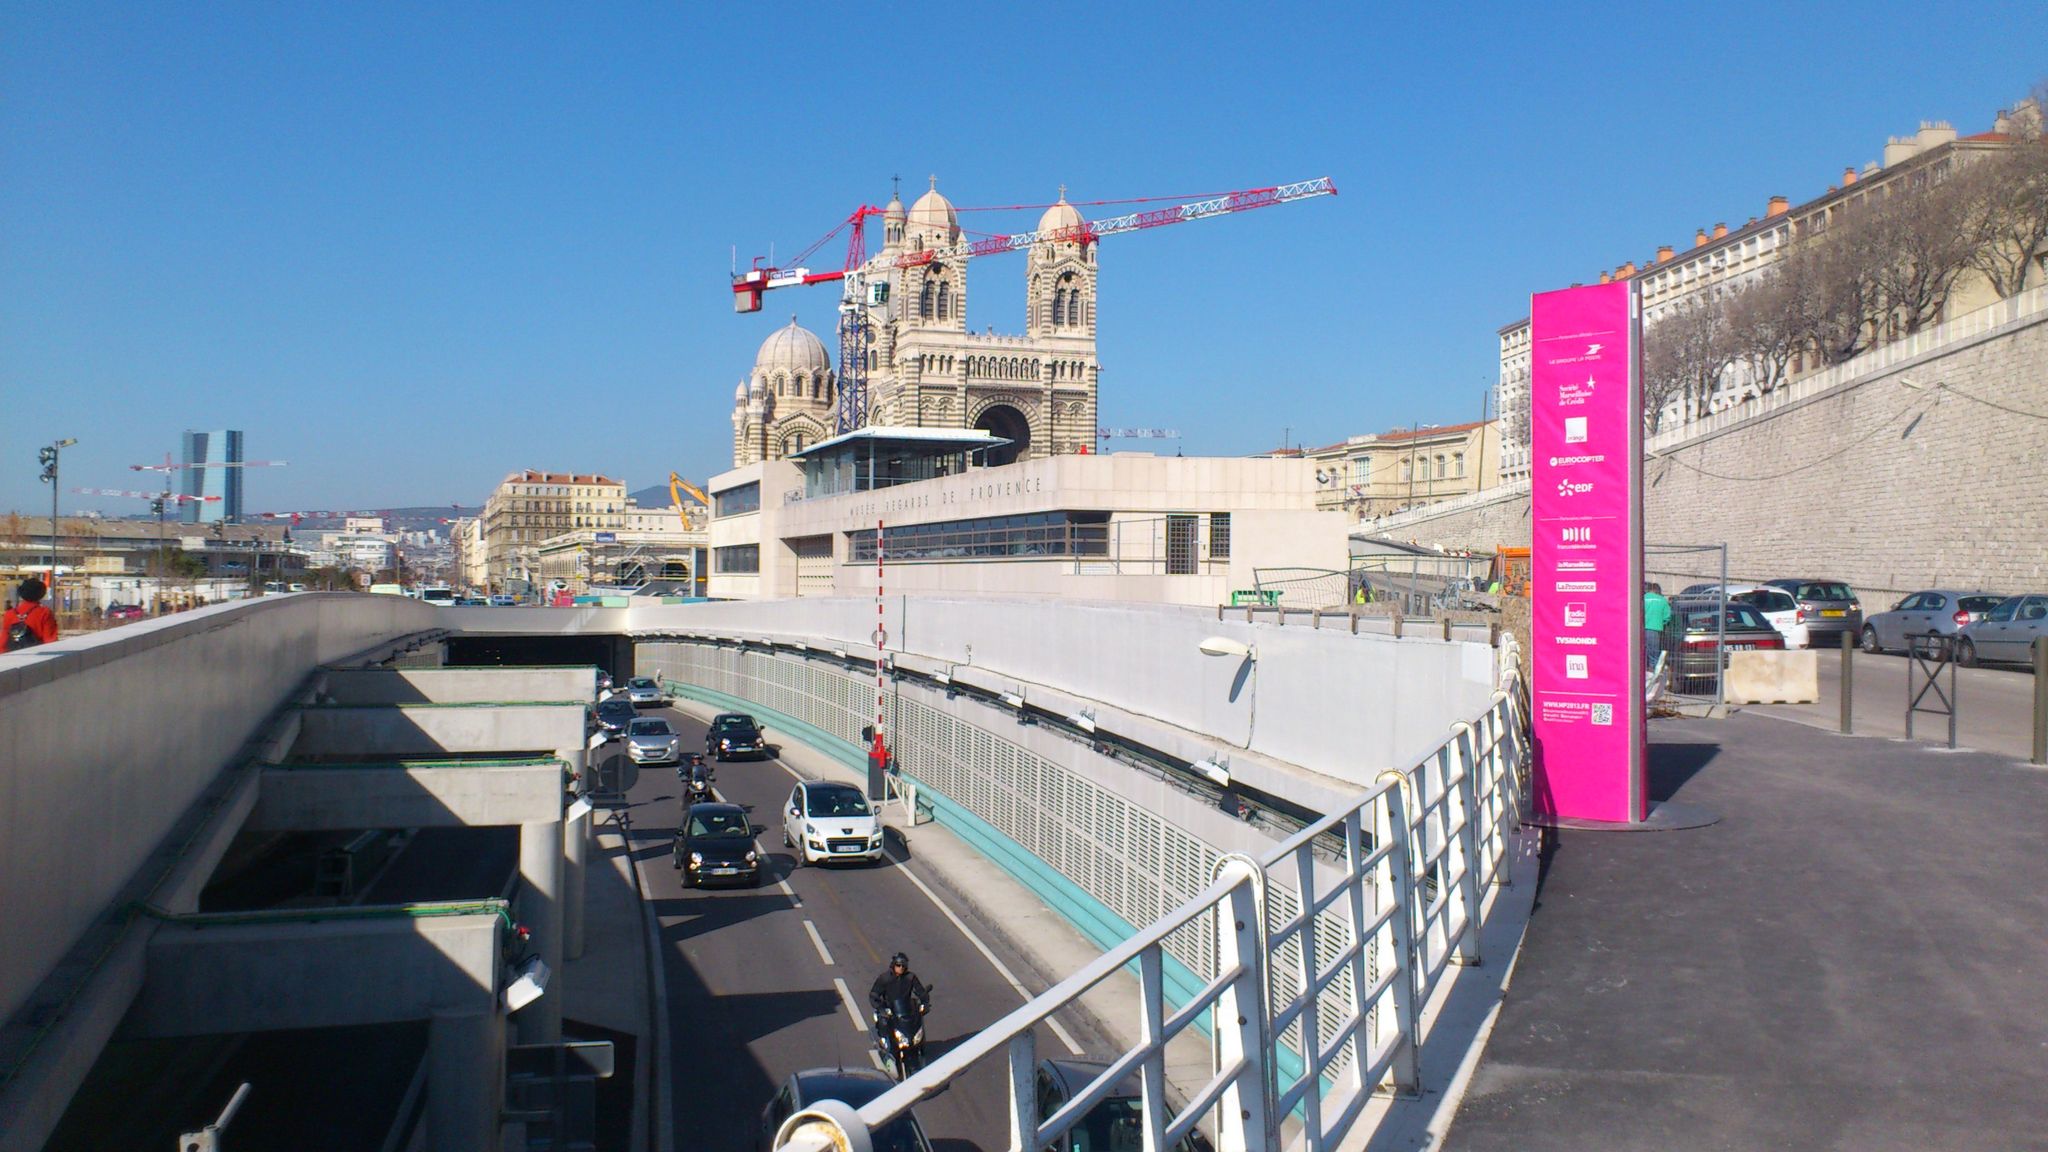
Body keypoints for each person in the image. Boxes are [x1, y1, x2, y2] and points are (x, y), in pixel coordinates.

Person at [869, 952, 929, 1024]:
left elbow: (920, 991)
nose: (901, 967)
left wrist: (924, 1003)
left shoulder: (910, 977)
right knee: (884, 1026)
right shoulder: (884, 978)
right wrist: (881, 1008)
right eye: (898, 965)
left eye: (903, 966)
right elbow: (874, 994)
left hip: (906, 1012)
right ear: (893, 965)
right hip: (889, 1013)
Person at [4, 578, 58, 651]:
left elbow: (4, 638)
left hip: (13, 656)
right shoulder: (45, 612)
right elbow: (50, 640)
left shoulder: (9, 614)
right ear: (41, 594)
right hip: (36, 655)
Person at [1643, 582, 1672, 670]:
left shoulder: (1642, 598)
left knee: (1642, 653)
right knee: (1654, 655)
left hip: (1640, 629)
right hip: (1655, 629)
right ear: (1658, 591)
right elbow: (1667, 617)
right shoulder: (1662, 600)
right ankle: (1654, 674)